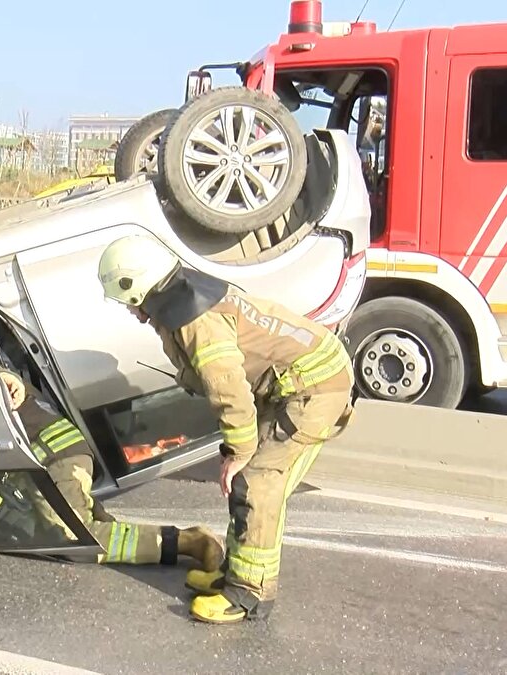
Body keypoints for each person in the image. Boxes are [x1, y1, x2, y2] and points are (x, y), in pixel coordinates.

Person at [96, 233, 356, 625]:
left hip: (315, 389)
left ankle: (250, 593)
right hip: (292, 385)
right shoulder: (182, 299)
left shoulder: (196, 319)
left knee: (258, 480)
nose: (130, 312)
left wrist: (239, 451)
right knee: (244, 481)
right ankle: (236, 570)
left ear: (138, 288)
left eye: (127, 301)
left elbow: (227, 387)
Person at [0, 363, 224, 571]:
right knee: (99, 530)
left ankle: (190, 542)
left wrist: (3, 375)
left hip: (56, 459)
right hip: (58, 457)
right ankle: (172, 538)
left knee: (76, 541)